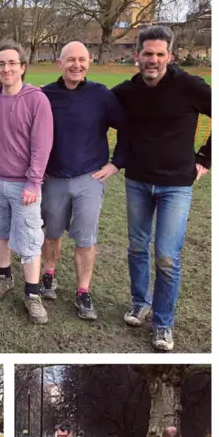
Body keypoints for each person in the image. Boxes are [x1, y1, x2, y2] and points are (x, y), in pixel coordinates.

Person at [112, 26, 211, 352]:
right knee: (137, 248)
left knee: (167, 257)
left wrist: (205, 157)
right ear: (136, 55)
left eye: (159, 54)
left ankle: (163, 324)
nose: (152, 60)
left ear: (170, 55)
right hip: (137, 181)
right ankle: (140, 303)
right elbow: (90, 103)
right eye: (147, 54)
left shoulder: (190, 86)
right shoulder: (127, 91)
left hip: (176, 186)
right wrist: (43, 95)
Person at [40, 41, 129, 320]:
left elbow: (126, 128)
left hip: (89, 178)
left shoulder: (101, 95)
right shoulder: (46, 95)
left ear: (88, 62)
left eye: (82, 60)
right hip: (53, 177)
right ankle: (48, 275)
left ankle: (83, 291)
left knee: (85, 237)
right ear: (59, 63)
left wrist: (116, 164)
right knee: (52, 232)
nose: (76, 65)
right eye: (70, 60)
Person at [0, 40, 54, 323]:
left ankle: (32, 294)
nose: (6, 68)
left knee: (28, 238)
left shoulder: (37, 100)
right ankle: (4, 277)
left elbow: (42, 145)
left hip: (24, 184)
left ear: (23, 67)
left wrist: (34, 182)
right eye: (1, 64)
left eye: (12, 63)